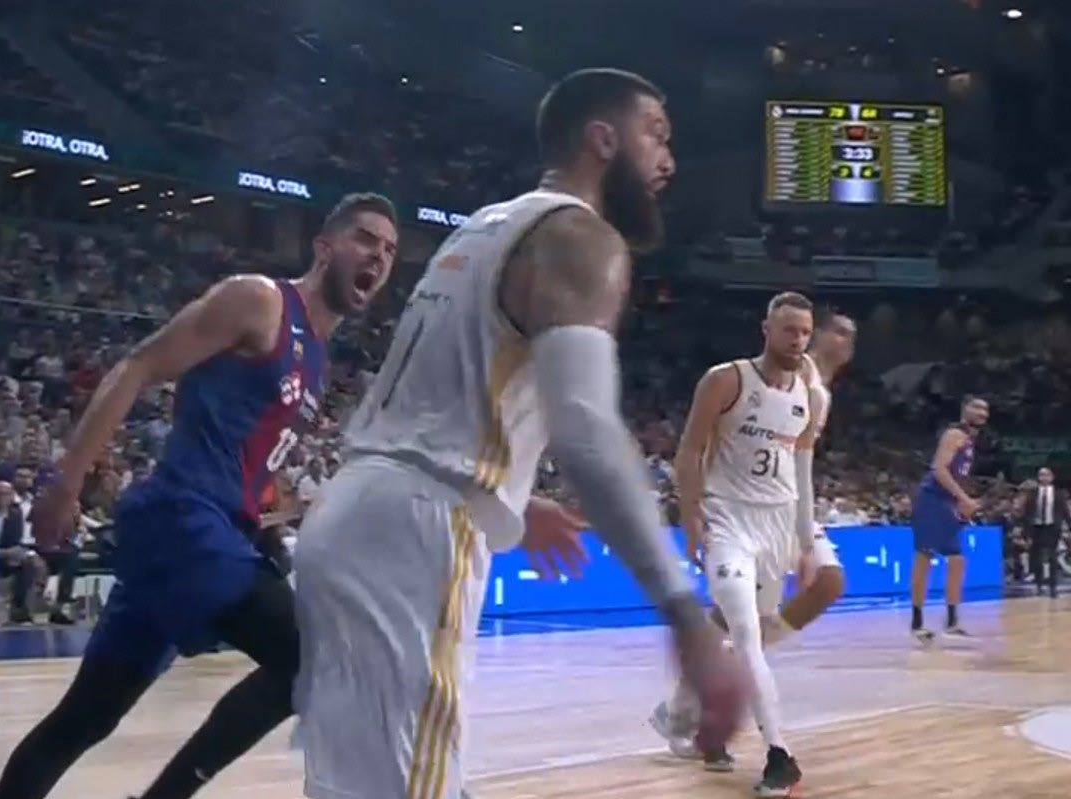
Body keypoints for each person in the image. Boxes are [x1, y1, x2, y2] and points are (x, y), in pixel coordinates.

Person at [287, 67, 747, 799]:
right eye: (655, 135)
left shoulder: (486, 225)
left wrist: (511, 496)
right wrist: (683, 611)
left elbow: (439, 401)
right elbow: (585, 429)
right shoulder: (582, 237)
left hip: (355, 514)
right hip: (416, 534)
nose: (668, 160)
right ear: (602, 139)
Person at [0, 192, 400, 799]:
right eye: (365, 238)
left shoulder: (317, 360)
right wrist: (66, 481)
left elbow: (246, 458)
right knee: (315, 658)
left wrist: (266, 522)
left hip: (204, 539)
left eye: (389, 249)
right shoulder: (259, 300)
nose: (378, 256)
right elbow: (137, 366)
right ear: (324, 246)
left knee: (85, 719)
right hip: (183, 521)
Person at [650, 308, 857, 761]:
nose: (845, 340)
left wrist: (804, 531)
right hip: (738, 508)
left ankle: (692, 695)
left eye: (851, 335)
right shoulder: (780, 373)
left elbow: (796, 461)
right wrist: (694, 506)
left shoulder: (817, 392)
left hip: (784, 507)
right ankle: (696, 702)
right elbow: (706, 444)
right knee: (738, 618)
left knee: (825, 583)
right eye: (838, 331)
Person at [665, 292, 820, 796]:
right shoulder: (726, 379)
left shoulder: (810, 397)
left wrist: (805, 540)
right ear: (766, 330)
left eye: (805, 332)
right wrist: (691, 515)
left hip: (777, 525)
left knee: (740, 631)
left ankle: (683, 715)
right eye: (789, 330)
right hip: (728, 520)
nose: (797, 340)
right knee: (746, 633)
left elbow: (802, 472)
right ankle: (780, 756)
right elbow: (689, 450)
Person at [910, 395, 989, 641]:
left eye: (985, 409)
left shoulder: (969, 441)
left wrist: (961, 501)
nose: (982, 412)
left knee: (957, 560)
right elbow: (939, 469)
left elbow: (958, 475)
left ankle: (952, 622)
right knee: (924, 557)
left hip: (947, 503)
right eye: (976, 407)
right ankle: (917, 623)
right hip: (932, 499)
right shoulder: (954, 434)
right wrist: (963, 498)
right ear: (964, 409)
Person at [1021, 466, 1069, 598]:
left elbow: (1065, 512)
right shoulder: (1033, 494)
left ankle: (1053, 587)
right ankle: (1039, 585)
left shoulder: (1059, 494)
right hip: (1037, 527)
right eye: (1041, 475)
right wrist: (1026, 532)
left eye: (1046, 475)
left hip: (1052, 527)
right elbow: (1027, 513)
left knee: (1052, 556)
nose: (1044, 477)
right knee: (1036, 557)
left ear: (1052, 477)